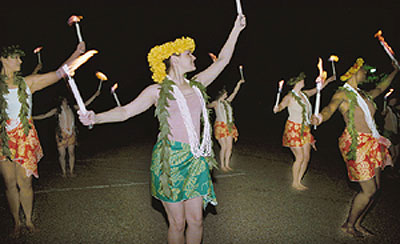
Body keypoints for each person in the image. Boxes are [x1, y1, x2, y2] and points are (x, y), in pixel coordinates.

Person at [79, 15, 246, 244]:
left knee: (196, 220)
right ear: (174, 59)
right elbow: (126, 112)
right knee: (177, 223)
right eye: (189, 53)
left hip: (196, 158)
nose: (194, 56)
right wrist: (95, 118)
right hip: (170, 160)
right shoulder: (155, 91)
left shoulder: (198, 84)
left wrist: (236, 29)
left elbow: (223, 60)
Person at [0, 42, 85, 236]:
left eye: (21, 57)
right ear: (3, 59)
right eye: (16, 57)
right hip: (3, 138)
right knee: (9, 182)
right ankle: (16, 222)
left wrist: (76, 53)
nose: (20, 60)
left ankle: (28, 220)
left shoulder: (28, 83)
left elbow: (58, 74)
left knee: (25, 182)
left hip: (24, 137)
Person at [311, 58, 399, 237]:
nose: (365, 73)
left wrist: (395, 71)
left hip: (373, 143)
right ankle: (348, 225)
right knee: (369, 190)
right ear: (353, 72)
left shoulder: (365, 95)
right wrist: (319, 117)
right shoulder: (342, 94)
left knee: (376, 189)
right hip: (356, 143)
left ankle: (357, 223)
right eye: (363, 70)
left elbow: (381, 88)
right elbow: (330, 108)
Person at [273, 72, 334, 190]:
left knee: (306, 157)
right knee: (300, 157)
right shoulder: (289, 97)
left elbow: (317, 90)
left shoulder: (305, 94)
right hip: (293, 129)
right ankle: (294, 182)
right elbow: (280, 106)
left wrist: (328, 80)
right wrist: (277, 108)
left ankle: (299, 181)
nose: (304, 81)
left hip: (305, 129)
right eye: (302, 80)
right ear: (297, 82)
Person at [33, 90, 100, 177]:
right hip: (61, 134)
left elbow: (85, 105)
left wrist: (95, 95)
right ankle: (64, 172)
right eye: (64, 100)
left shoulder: (72, 108)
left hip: (71, 133)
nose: (65, 101)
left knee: (71, 153)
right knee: (62, 154)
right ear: (61, 101)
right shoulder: (57, 110)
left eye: (66, 99)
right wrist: (32, 118)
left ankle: (71, 172)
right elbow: (44, 115)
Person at [207, 79, 245, 171]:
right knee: (223, 146)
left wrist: (239, 83)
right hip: (220, 126)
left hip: (229, 126)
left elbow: (235, 92)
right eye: (225, 93)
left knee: (229, 147)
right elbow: (207, 106)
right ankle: (222, 165)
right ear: (221, 94)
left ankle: (227, 165)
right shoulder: (216, 103)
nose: (227, 94)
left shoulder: (228, 102)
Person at [381, 96, 400, 177]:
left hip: (395, 134)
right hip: (388, 133)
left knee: (396, 154)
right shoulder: (388, 109)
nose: (394, 100)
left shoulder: (396, 111)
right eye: (392, 99)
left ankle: (391, 171)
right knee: (391, 154)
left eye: (395, 99)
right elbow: (383, 113)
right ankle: (384, 171)